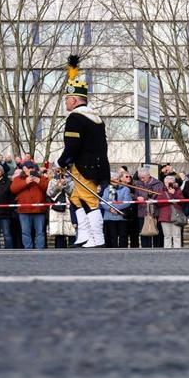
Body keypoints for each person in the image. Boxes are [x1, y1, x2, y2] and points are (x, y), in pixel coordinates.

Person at [56, 55, 110, 248]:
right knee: (77, 199)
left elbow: (72, 146)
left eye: (68, 99)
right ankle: (84, 236)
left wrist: (61, 162)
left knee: (89, 201)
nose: (66, 103)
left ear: (75, 99)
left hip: (83, 166)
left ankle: (98, 238)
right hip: (95, 165)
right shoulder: (95, 118)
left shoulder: (75, 118)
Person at [9, 160, 49, 249]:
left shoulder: (41, 178)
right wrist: (25, 182)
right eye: (29, 168)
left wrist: (39, 182)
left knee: (40, 232)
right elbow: (13, 189)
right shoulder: (18, 179)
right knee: (25, 232)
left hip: (39, 210)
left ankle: (40, 249)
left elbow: (48, 189)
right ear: (24, 169)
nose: (31, 169)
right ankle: (28, 249)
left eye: (33, 168)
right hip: (24, 210)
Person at [99, 178, 132, 248]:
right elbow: (103, 201)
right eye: (113, 180)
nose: (115, 181)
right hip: (110, 217)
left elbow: (127, 202)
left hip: (121, 217)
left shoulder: (125, 189)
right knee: (112, 236)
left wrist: (116, 208)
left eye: (116, 179)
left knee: (123, 236)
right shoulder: (107, 189)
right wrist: (110, 208)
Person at [155, 175, 183, 248]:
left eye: (171, 182)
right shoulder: (161, 191)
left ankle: (178, 251)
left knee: (177, 235)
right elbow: (159, 202)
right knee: (167, 236)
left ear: (174, 183)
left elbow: (181, 201)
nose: (168, 183)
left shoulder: (178, 190)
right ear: (164, 183)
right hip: (164, 216)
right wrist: (171, 201)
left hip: (176, 215)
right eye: (167, 182)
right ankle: (167, 251)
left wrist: (174, 193)